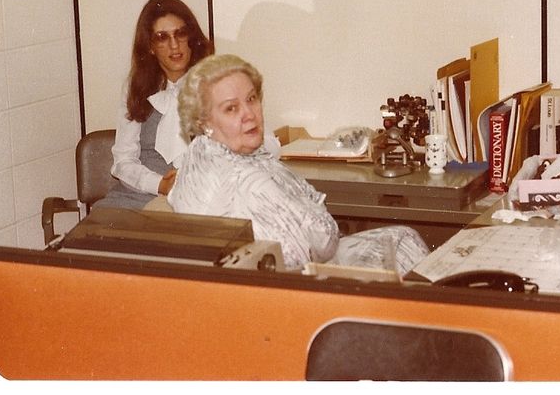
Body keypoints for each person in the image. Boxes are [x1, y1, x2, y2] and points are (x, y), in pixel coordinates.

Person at [168, 54, 429, 274]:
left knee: (403, 238)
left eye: (251, 99)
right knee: (409, 250)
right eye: (231, 109)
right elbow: (315, 248)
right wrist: (314, 210)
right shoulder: (247, 181)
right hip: (300, 292)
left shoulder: (202, 155)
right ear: (204, 123)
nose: (249, 114)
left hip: (282, 280)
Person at [95, 0, 214, 209]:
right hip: (141, 195)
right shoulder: (136, 86)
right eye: (162, 37)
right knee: (95, 232)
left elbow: (257, 142)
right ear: (150, 46)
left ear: (191, 37)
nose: (174, 45)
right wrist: (160, 184)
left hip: (199, 197)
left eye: (181, 33)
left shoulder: (217, 81)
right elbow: (123, 161)